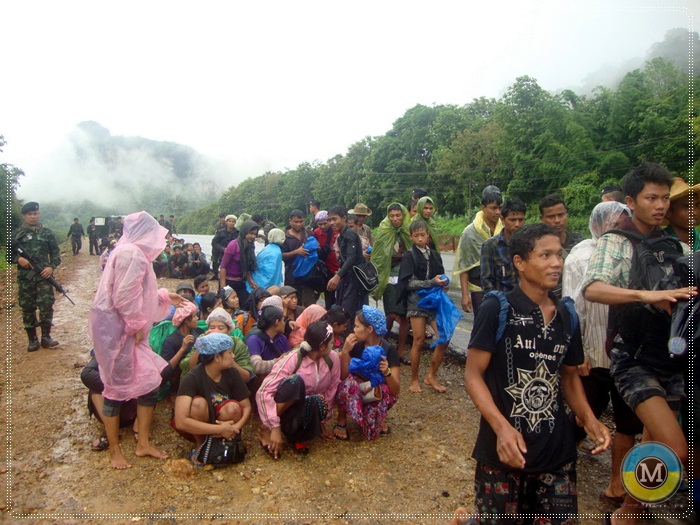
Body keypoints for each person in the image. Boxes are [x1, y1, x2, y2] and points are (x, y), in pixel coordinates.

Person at [465, 223, 611, 520]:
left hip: (557, 453)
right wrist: (501, 427)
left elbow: (569, 377)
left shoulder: (567, 315)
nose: (556, 262)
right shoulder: (497, 308)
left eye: (559, 254)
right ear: (519, 262)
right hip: (503, 452)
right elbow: (472, 375)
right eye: (545, 255)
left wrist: (590, 418)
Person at [582, 163, 695, 524]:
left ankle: (629, 511)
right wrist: (646, 294)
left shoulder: (673, 244)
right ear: (631, 201)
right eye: (651, 198)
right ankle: (630, 511)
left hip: (673, 357)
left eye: (664, 198)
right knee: (676, 450)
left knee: (658, 444)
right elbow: (593, 289)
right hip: (634, 361)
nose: (660, 205)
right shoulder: (615, 242)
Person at [88, 211, 185, 469]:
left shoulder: (129, 251)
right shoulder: (131, 253)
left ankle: (143, 443)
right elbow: (124, 295)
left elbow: (141, 291)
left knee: (150, 382)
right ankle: (115, 450)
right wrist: (134, 325)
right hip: (121, 333)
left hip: (126, 331)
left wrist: (165, 296)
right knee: (115, 390)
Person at [562, 201, 640, 508]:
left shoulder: (633, 253)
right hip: (591, 356)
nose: (618, 232)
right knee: (582, 416)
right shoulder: (579, 258)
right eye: (613, 226)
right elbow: (571, 307)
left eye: (623, 226)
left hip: (625, 357)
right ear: (598, 225)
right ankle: (558, 464)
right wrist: (576, 354)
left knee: (627, 424)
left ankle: (616, 484)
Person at [257, 320, 341, 458]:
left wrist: (322, 421)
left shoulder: (332, 359)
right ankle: (267, 429)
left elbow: (332, 388)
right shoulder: (293, 359)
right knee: (296, 382)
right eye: (331, 343)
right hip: (285, 408)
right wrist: (274, 425)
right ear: (322, 346)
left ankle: (296, 436)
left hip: (302, 409)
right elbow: (264, 391)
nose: (333, 346)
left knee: (317, 401)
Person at [173, 332, 252, 460]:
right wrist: (218, 429)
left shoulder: (232, 373)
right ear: (217, 357)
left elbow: (247, 406)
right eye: (230, 352)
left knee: (233, 408)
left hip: (225, 422)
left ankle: (225, 443)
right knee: (198, 405)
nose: (233, 356)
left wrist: (234, 428)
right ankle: (200, 445)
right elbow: (180, 421)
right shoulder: (192, 377)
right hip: (203, 422)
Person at [398, 220, 450, 393]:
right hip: (416, 302)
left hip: (434, 301)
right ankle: (414, 380)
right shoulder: (409, 255)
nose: (420, 239)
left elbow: (440, 274)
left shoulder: (434, 254)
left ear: (428, 235)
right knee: (419, 340)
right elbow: (408, 284)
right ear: (411, 237)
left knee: (444, 337)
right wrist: (431, 282)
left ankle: (431, 376)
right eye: (416, 236)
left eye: (423, 235)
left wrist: (443, 283)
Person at [335, 306, 400, 441]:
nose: (353, 329)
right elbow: (342, 376)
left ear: (369, 329)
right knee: (346, 384)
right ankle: (341, 419)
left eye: (357, 326)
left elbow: (395, 390)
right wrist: (345, 352)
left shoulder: (388, 350)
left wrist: (387, 372)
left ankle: (376, 417)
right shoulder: (356, 345)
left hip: (373, 392)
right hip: (358, 389)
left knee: (385, 391)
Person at [12, 202, 62, 351]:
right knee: (27, 307)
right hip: (26, 278)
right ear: (24, 216)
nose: (33, 217)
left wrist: (51, 267)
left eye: (35, 214)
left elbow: (55, 253)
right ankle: (32, 340)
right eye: (30, 214)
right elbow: (9, 254)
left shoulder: (47, 233)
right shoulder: (16, 234)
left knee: (46, 305)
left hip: (43, 276)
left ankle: (46, 337)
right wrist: (18, 259)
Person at [370, 203, 412, 363]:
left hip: (405, 279)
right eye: (392, 215)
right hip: (388, 279)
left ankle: (399, 351)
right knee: (391, 315)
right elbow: (378, 256)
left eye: (398, 215)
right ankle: (380, 344)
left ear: (403, 215)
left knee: (404, 317)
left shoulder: (408, 231)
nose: (395, 219)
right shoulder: (383, 231)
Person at [454, 186, 502, 313]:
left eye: (499, 208)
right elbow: (464, 265)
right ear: (483, 207)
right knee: (483, 327)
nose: (497, 212)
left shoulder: (504, 229)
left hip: (502, 288)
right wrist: (465, 295)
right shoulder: (470, 233)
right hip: (479, 289)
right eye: (493, 208)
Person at [327, 205, 366, 328]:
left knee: (347, 313)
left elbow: (351, 258)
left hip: (354, 281)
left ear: (344, 218)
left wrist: (338, 276)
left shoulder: (349, 235)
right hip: (347, 279)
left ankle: (349, 340)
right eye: (330, 220)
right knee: (343, 309)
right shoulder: (342, 235)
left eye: (334, 219)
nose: (332, 223)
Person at [480, 197, 526, 293]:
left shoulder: (529, 243)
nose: (517, 224)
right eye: (512, 220)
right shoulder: (490, 246)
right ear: (502, 219)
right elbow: (487, 282)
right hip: (502, 302)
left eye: (520, 220)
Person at [161, 301, 202, 397]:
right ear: (186, 321)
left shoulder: (199, 333)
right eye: (195, 316)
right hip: (178, 385)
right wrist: (182, 349)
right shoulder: (171, 340)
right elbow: (165, 371)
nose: (197, 318)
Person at [281, 210, 319, 307]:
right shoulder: (284, 237)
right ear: (290, 221)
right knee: (292, 305)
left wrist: (315, 247)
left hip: (309, 277)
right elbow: (281, 256)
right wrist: (296, 252)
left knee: (309, 305)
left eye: (301, 221)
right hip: (292, 275)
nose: (299, 224)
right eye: (296, 222)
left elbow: (317, 248)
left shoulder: (309, 234)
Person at [220, 220, 259, 305]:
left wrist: (250, 280)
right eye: (251, 233)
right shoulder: (233, 245)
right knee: (228, 306)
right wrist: (223, 288)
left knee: (249, 304)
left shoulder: (250, 246)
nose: (253, 236)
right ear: (244, 232)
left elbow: (247, 265)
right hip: (229, 282)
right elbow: (223, 266)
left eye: (255, 234)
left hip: (241, 282)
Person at [246, 305, 290, 378]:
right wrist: (278, 361)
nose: (284, 323)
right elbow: (257, 366)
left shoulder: (282, 338)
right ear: (277, 322)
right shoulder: (254, 340)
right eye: (282, 320)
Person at [663, 176, 700, 251]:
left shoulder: (698, 239)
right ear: (668, 212)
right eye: (686, 207)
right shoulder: (661, 245)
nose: (694, 212)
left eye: (696, 205)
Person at [313, 211, 339, 308]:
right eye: (320, 224)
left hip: (338, 267)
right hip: (326, 269)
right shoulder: (316, 233)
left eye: (325, 223)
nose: (323, 226)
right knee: (329, 296)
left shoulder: (336, 231)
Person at [211, 214, 239, 279]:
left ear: (235, 223)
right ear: (226, 222)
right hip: (222, 254)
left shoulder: (237, 233)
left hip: (233, 255)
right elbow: (214, 243)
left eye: (233, 221)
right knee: (223, 270)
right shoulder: (220, 232)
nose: (231, 223)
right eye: (229, 221)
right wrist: (222, 249)